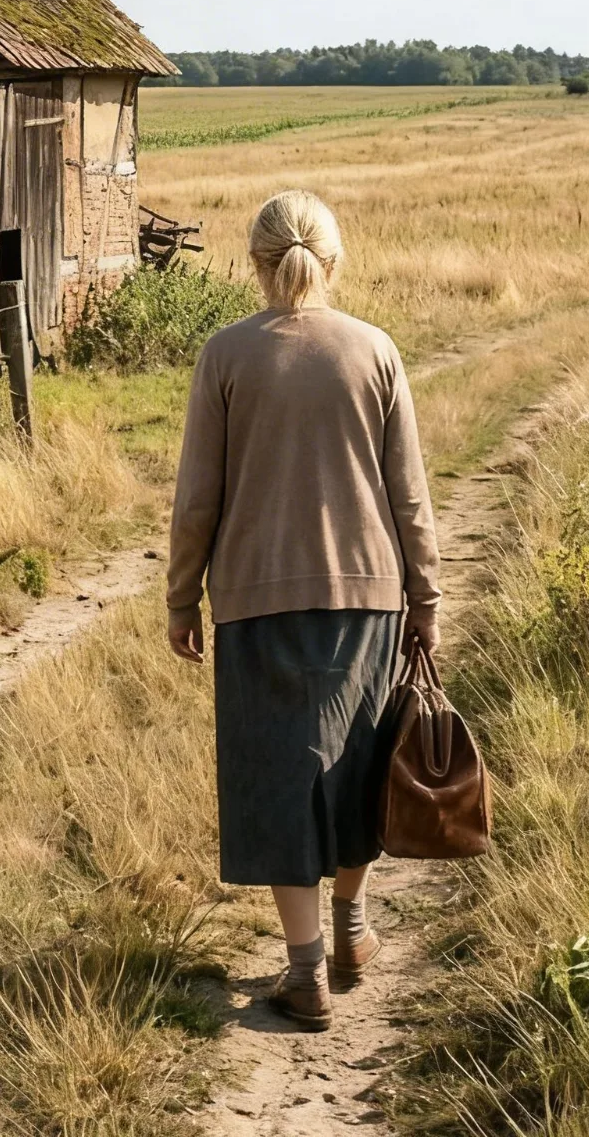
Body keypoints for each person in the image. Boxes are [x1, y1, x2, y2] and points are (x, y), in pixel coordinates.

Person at [165, 188, 440, 1032]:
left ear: (254, 260)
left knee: (285, 779)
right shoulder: (375, 350)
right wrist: (425, 598)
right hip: (368, 596)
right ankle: (356, 931)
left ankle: (305, 973)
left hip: (254, 601)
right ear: (334, 259)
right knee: (359, 764)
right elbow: (411, 499)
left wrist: (182, 596)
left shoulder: (226, 355)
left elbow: (197, 500)